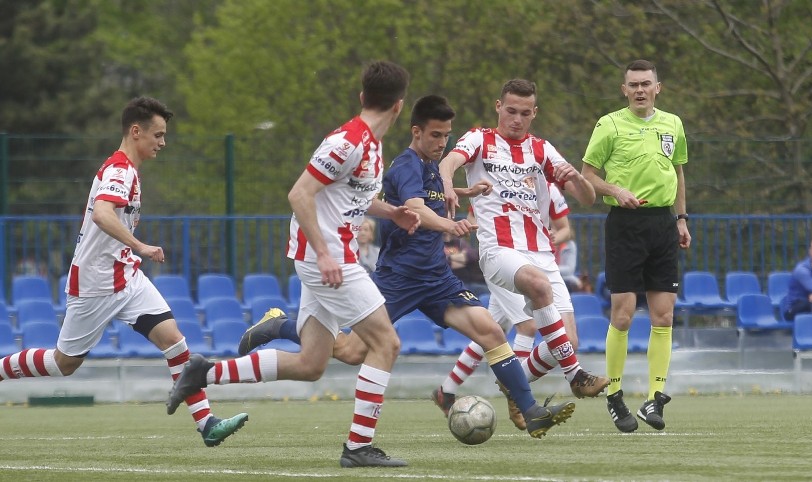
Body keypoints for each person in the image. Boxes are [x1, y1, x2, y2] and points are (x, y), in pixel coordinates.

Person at [239, 94, 578, 441]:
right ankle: (282, 326)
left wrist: (466, 189)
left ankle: (531, 411)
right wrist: (451, 226)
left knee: (490, 331)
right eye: (435, 135)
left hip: (437, 278)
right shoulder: (405, 165)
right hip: (398, 278)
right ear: (416, 132)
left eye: (446, 135)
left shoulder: (432, 165)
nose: (442, 143)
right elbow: (416, 206)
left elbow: (430, 195)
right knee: (352, 351)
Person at [166, 61, 418, 468]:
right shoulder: (348, 141)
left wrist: (392, 213)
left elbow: (352, 198)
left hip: (331, 258)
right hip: (329, 259)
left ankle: (204, 373)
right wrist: (322, 252)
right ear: (399, 106)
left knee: (311, 364)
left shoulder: (369, 144)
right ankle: (358, 447)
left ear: (363, 97)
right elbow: (300, 194)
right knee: (386, 343)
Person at [0, 97, 248, 447]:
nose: (163, 142)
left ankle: (207, 424)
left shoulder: (128, 171)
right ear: (136, 131)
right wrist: (141, 246)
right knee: (64, 363)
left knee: (174, 341)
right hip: (96, 282)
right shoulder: (120, 170)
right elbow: (103, 213)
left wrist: (131, 253)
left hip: (126, 276)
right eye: (158, 135)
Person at [438, 79, 609, 425]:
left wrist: (575, 176)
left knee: (567, 340)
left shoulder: (542, 149)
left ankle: (514, 383)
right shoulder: (480, 139)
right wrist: (447, 188)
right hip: (498, 250)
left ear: (535, 114)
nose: (516, 119)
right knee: (536, 296)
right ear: (498, 107)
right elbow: (448, 162)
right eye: (511, 111)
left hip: (542, 254)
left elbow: (588, 198)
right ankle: (576, 377)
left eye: (524, 113)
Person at [580, 59, 691, 432]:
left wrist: (681, 219)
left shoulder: (672, 123)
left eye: (646, 83)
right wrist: (616, 190)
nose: (640, 90)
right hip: (625, 225)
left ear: (657, 87)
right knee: (623, 315)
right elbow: (588, 176)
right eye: (633, 85)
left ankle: (654, 399)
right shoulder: (609, 124)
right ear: (624, 90)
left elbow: (677, 172)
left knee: (664, 315)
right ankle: (614, 395)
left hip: (663, 224)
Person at [436, 181, 600, 431]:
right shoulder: (496, 181)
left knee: (490, 331)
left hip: (537, 262)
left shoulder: (549, 189)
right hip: (505, 262)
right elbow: (473, 215)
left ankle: (447, 391)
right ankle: (523, 399)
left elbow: (565, 230)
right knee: (528, 325)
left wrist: (554, 236)